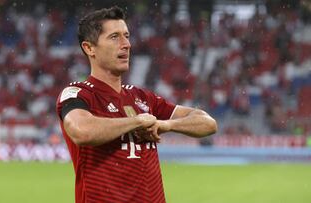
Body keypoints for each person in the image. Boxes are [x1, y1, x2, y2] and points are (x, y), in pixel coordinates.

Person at [56, 6, 217, 203]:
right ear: (89, 48)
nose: (126, 44)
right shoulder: (79, 94)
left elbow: (208, 123)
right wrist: (137, 121)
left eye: (127, 36)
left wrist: (166, 125)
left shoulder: (142, 97)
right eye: (115, 37)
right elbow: (82, 131)